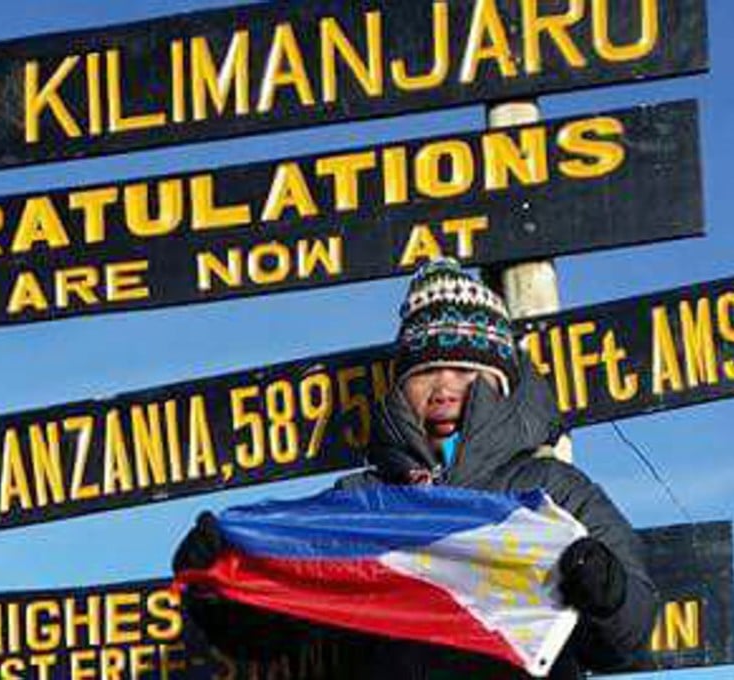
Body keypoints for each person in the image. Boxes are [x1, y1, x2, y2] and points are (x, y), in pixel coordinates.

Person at [173, 259, 657, 679]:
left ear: (501, 384)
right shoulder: (359, 504)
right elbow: (273, 634)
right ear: (400, 387)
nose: (445, 388)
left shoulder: (557, 492)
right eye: (425, 371)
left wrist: (607, 591)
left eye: (467, 372)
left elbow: (627, 637)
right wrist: (218, 581)